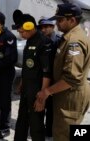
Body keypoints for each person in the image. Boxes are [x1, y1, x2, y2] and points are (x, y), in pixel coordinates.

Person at [35, 3, 90, 141]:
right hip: (69, 95)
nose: (57, 23)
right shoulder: (70, 37)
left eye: (60, 20)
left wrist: (46, 92)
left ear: (72, 20)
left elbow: (71, 77)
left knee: (63, 135)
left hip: (70, 98)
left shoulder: (74, 41)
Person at [12, 10, 53, 141]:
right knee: (22, 120)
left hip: (37, 90)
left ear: (30, 26)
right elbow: (27, 66)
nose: (21, 34)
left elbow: (47, 73)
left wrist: (42, 97)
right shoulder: (29, 41)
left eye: (22, 31)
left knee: (36, 125)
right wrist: (22, 83)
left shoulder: (44, 42)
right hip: (26, 89)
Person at [38, 17, 61, 137]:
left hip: (53, 78)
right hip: (41, 77)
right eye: (42, 27)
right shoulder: (41, 40)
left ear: (52, 27)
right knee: (40, 102)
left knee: (51, 106)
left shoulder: (59, 40)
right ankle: (40, 127)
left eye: (46, 27)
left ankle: (49, 131)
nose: (44, 29)